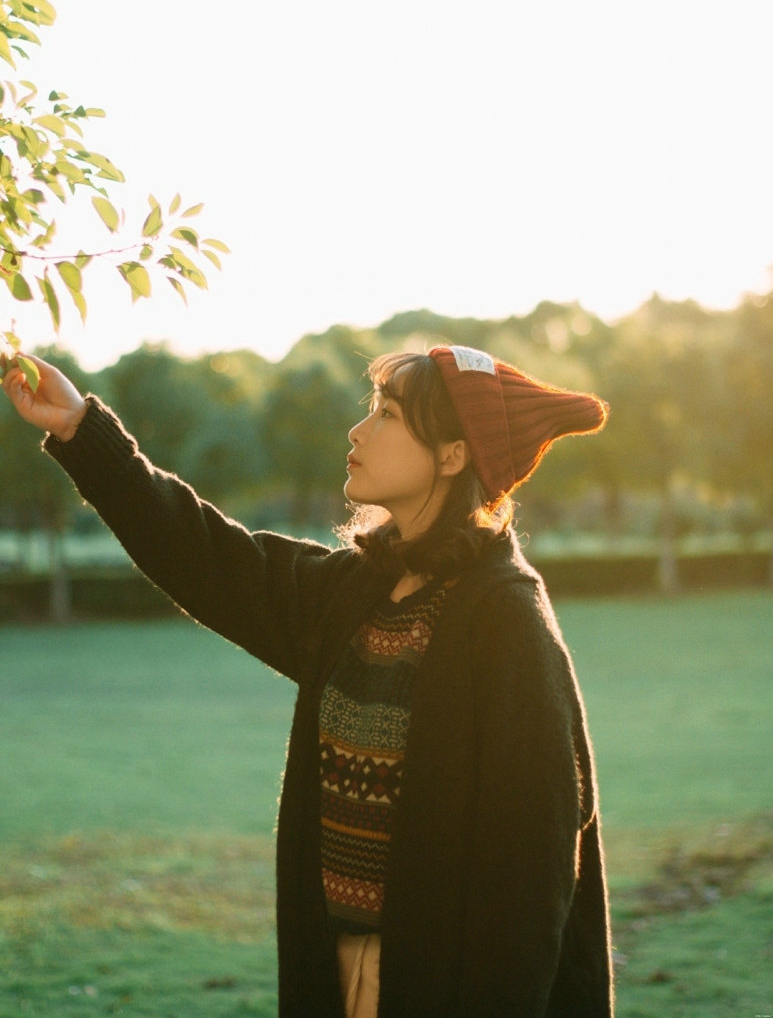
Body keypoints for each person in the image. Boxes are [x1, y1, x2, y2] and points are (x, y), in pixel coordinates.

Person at [2, 343, 614, 1018]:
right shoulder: (354, 592)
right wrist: (80, 429)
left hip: (448, 988)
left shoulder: (506, 623)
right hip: (337, 973)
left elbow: (531, 882)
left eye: (388, 414)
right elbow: (209, 556)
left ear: (452, 454)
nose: (359, 430)